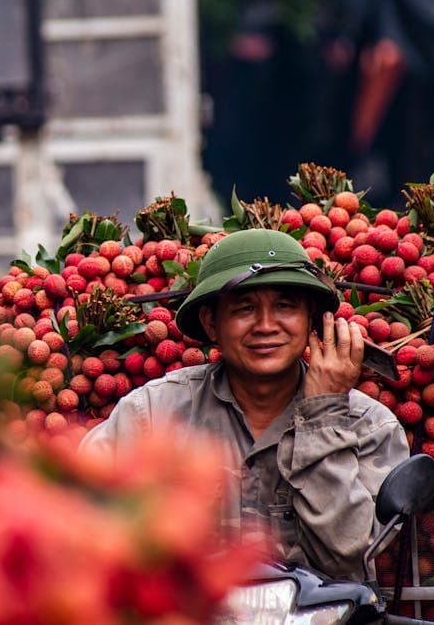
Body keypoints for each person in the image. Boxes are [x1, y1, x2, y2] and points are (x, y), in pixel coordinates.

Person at [79, 228, 409, 581]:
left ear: (313, 322)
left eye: (285, 306)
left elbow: (348, 554)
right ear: (211, 323)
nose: (266, 326)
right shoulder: (151, 416)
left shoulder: (369, 425)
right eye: (244, 309)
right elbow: (80, 524)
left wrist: (323, 413)